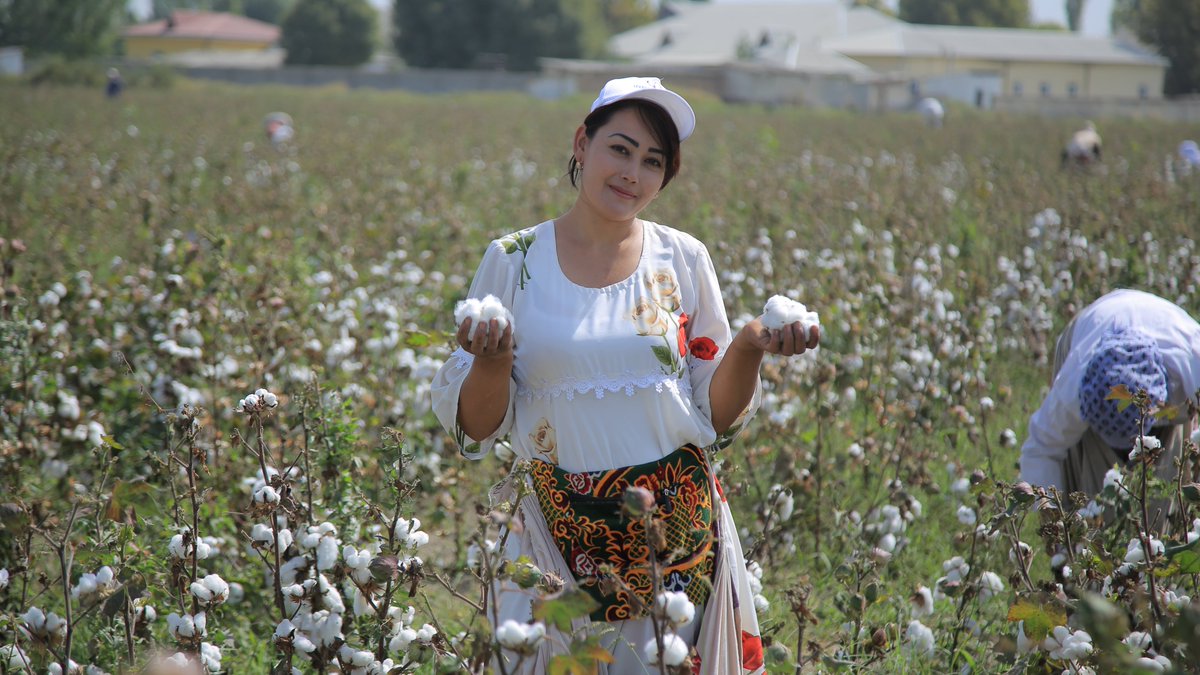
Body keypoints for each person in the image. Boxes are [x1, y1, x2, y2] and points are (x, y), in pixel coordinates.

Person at [431, 77, 820, 674]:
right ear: (582, 144)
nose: (632, 173)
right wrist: (492, 359)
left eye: (652, 161)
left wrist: (748, 347)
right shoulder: (513, 260)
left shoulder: (683, 259)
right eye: (620, 148)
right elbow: (478, 428)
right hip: (554, 536)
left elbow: (713, 416)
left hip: (675, 541)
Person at [1020, 289, 1200, 497]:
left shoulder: (1193, 363)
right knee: (1081, 483)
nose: (1126, 456)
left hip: (1165, 331)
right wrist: (1051, 513)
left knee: (1175, 478)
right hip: (1088, 327)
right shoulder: (1073, 388)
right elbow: (1042, 449)